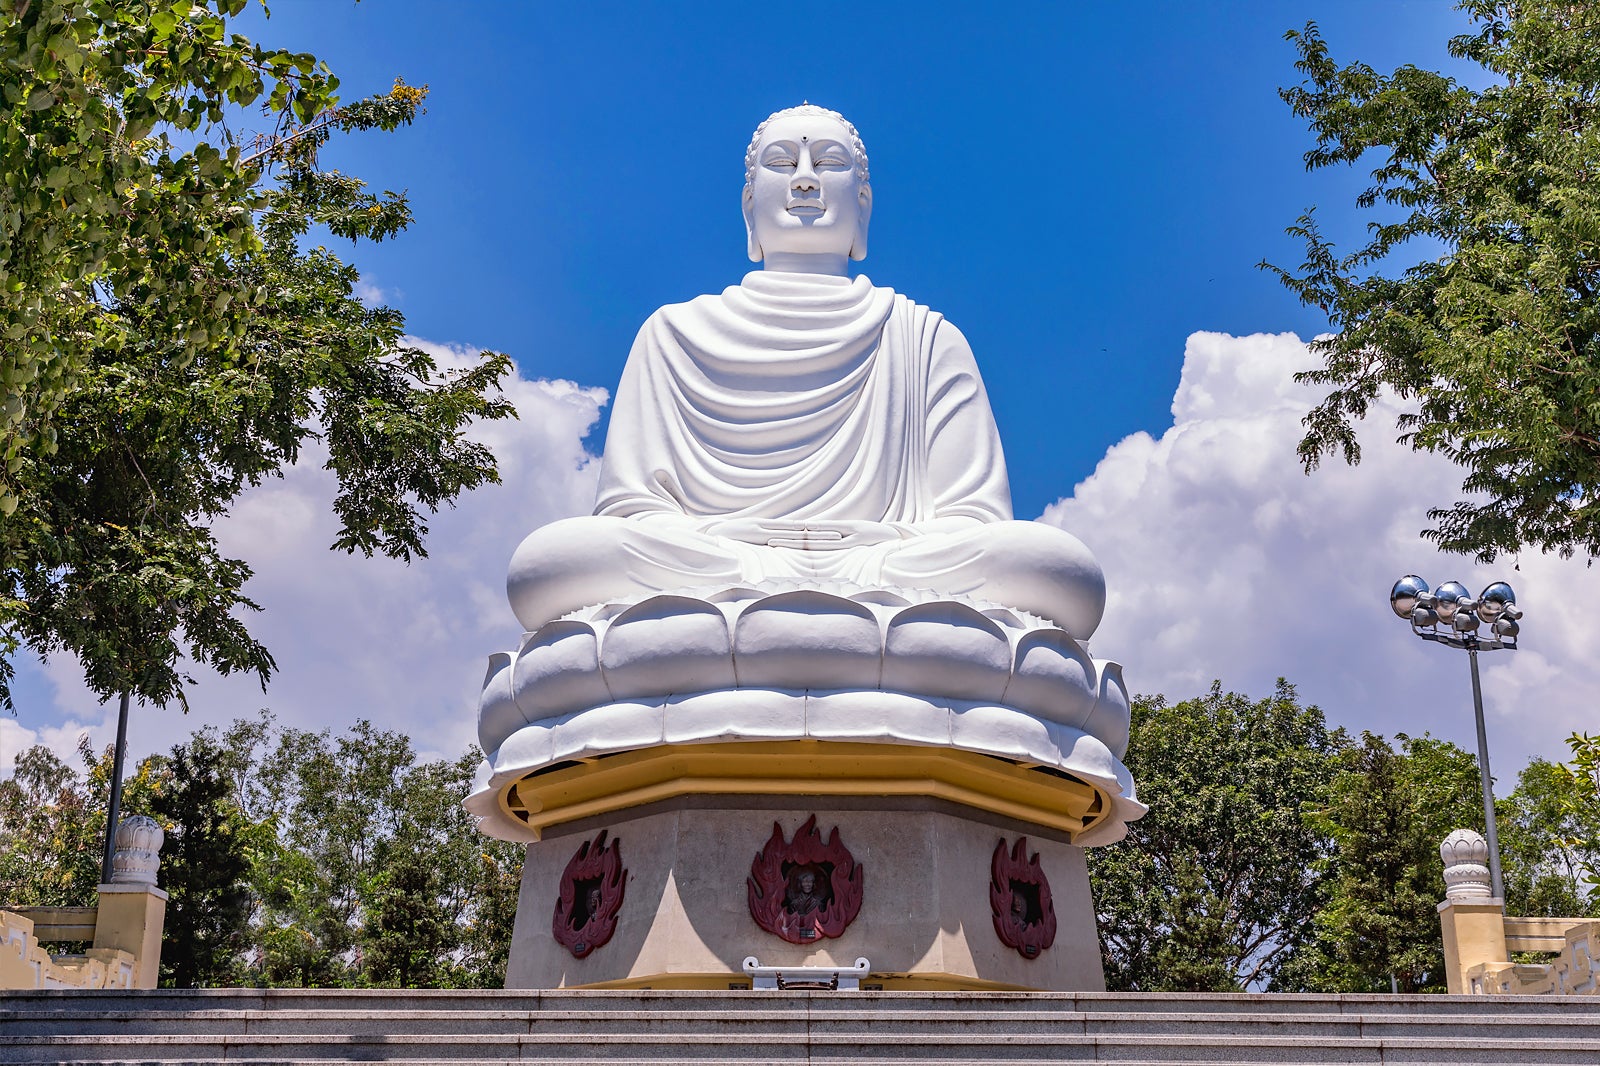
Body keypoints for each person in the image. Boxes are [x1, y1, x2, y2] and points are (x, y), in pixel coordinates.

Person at [507, 105, 1105, 638]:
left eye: (828, 161)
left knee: (1052, 568)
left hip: (881, 566)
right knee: (555, 563)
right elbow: (632, 513)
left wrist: (869, 550)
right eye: (781, 161)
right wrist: (741, 548)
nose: (804, 178)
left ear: (862, 205)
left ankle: (777, 610)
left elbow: (972, 520)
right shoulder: (672, 332)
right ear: (750, 207)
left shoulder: (923, 337)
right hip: (715, 563)